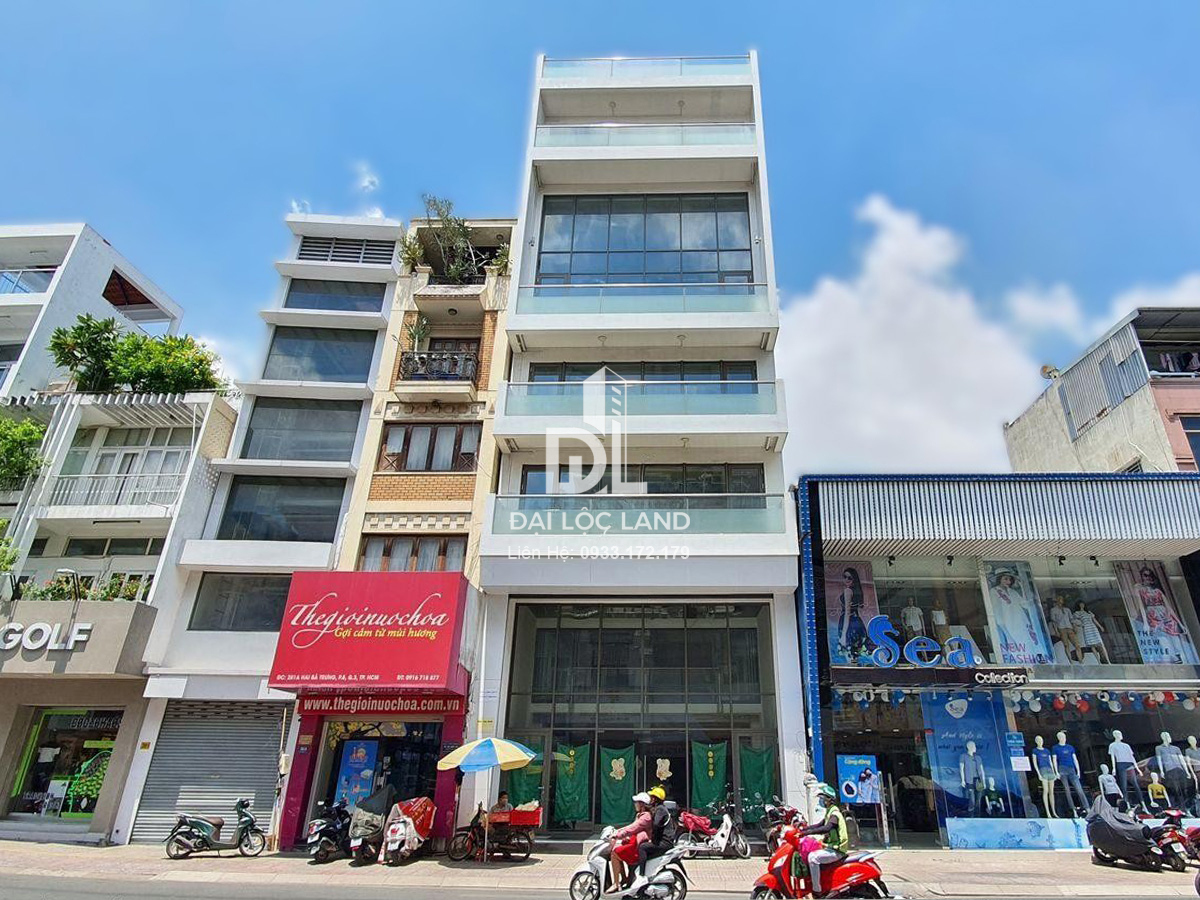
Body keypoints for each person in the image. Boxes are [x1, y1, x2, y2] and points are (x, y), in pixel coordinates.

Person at [799, 783, 849, 897]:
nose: (821, 801)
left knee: (813, 858)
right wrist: (803, 829)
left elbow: (827, 828)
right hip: (831, 848)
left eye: (823, 798)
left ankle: (817, 890)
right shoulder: (829, 812)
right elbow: (819, 825)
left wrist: (807, 833)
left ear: (829, 800)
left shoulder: (834, 814)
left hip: (837, 850)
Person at [608, 793, 652, 893]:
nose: (635, 804)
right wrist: (617, 831)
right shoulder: (640, 815)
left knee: (614, 854)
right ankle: (624, 879)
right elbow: (631, 827)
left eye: (637, 802)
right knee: (618, 849)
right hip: (634, 842)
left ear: (642, 804)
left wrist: (618, 835)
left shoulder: (646, 817)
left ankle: (616, 884)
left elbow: (633, 828)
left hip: (637, 846)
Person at [636, 786, 677, 880]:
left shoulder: (660, 809)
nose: (650, 799)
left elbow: (656, 824)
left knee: (642, 847)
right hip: (663, 841)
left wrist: (652, 837)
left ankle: (641, 876)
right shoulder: (659, 808)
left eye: (651, 797)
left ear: (655, 799)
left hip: (664, 843)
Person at [835, 568, 869, 663]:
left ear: (854, 579)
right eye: (845, 577)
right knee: (856, 650)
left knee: (848, 651)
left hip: (848, 624)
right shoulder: (857, 591)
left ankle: (853, 667)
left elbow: (847, 613)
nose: (846, 579)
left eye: (849, 578)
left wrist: (843, 635)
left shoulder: (848, 591)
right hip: (857, 622)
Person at [1047, 595, 1081, 662]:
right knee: (1066, 645)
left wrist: (1074, 627)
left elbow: (1071, 619)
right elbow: (1054, 622)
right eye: (1059, 599)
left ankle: (1080, 661)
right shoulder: (1053, 610)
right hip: (1061, 629)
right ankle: (1070, 661)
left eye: (1061, 599)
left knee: (1077, 645)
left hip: (1069, 628)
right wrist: (1056, 631)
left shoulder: (1067, 609)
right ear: (1057, 600)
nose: (1060, 600)